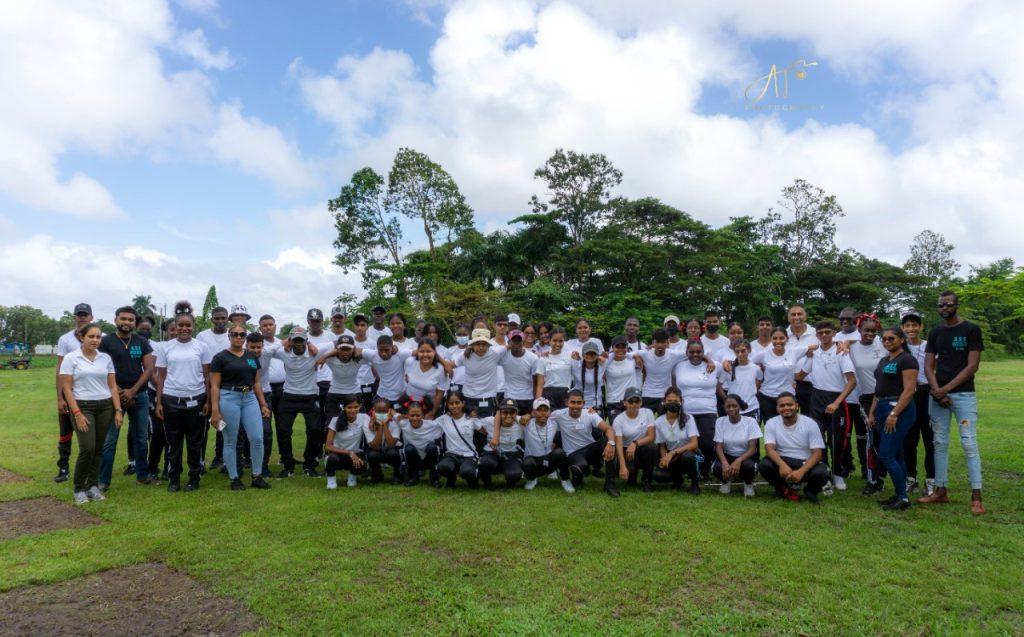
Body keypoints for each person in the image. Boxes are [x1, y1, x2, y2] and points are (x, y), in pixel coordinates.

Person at [918, 291, 986, 515]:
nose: (944, 308)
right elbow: (928, 366)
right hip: (938, 396)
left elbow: (972, 366)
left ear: (957, 305)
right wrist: (937, 390)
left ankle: (976, 495)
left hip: (963, 395)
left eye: (948, 304)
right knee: (939, 442)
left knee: (968, 443)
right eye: (940, 305)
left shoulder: (971, 330)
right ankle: (940, 490)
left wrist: (944, 390)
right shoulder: (936, 332)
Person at [58, 324, 122, 504]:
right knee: (87, 448)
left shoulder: (105, 358)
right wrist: (76, 413)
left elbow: (112, 386)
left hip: (105, 406)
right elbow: (67, 389)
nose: (95, 340)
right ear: (82, 337)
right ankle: (79, 488)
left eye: (98, 337)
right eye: (91, 337)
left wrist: (118, 410)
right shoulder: (71, 358)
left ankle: (92, 486)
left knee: (99, 449)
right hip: (82, 406)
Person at [98, 306, 155, 490]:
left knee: (140, 437)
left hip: (139, 396)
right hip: (113, 396)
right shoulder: (105, 342)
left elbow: (148, 369)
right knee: (110, 439)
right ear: (116, 320)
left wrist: (132, 391)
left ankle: (143, 475)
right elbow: (101, 369)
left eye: (130, 320)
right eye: (123, 319)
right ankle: (103, 480)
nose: (126, 323)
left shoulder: (142, 342)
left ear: (135, 323)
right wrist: (120, 391)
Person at [154, 312, 212, 492]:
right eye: (181, 325)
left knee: (195, 442)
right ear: (175, 326)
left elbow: (207, 376)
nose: (184, 329)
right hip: (171, 400)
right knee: (174, 442)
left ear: (193, 326)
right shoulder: (166, 347)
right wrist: (159, 402)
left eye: (188, 325)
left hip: (196, 399)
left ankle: (194, 478)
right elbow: (161, 377)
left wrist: (208, 401)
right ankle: (174, 478)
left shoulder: (201, 347)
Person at [796, 320, 856, 492]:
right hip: (817, 397)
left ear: (833, 333)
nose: (824, 335)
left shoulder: (841, 352)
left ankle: (838, 473)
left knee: (836, 439)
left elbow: (852, 381)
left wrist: (837, 402)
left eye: (827, 332)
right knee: (817, 438)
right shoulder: (813, 353)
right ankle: (824, 474)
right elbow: (800, 376)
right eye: (820, 333)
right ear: (817, 335)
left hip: (836, 398)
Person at [209, 329, 272, 491]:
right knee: (231, 440)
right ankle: (234, 478)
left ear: (245, 337)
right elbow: (214, 386)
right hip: (229, 397)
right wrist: (215, 410)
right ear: (229, 336)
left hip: (249, 397)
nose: (238, 337)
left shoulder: (251, 357)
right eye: (235, 334)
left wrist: (263, 404)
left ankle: (256, 476)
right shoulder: (220, 357)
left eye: (242, 335)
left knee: (257, 438)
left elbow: (257, 382)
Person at [867, 327, 920, 510]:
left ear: (901, 340)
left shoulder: (907, 360)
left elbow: (909, 390)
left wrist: (894, 413)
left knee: (887, 454)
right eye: (884, 339)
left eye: (891, 338)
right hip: (881, 407)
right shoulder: (884, 360)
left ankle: (903, 498)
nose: (887, 341)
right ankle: (900, 494)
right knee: (897, 454)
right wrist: (872, 411)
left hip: (898, 410)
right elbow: (879, 388)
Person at [759, 393, 829, 503]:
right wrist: (782, 465)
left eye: (789, 405)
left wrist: (801, 471)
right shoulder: (771, 423)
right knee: (764, 465)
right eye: (782, 406)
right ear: (777, 408)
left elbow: (817, 453)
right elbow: (769, 449)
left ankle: (810, 491)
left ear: (797, 406)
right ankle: (782, 488)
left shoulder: (810, 423)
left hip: (804, 461)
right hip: (783, 459)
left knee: (823, 472)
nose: (786, 408)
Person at [271, 327, 321, 478]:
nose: (299, 344)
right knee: (283, 430)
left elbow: (336, 343)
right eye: (295, 340)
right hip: (289, 396)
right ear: (291, 341)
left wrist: (321, 355)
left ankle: (309, 464)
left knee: (314, 430)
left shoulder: (314, 351)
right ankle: (287, 466)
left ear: (306, 340)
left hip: (310, 396)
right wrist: (282, 342)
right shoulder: (283, 352)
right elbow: (266, 349)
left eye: (301, 340)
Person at [54, 302, 94, 483]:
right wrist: (59, 398)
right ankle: (63, 467)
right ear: (75, 317)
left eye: (85, 314)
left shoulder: (98, 337)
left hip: (92, 394)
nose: (82, 317)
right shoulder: (66, 339)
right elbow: (60, 370)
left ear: (91, 317)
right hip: (70, 393)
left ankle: (91, 469)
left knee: (91, 435)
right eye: (79, 314)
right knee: (65, 432)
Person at [549, 389, 615, 493]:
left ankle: (610, 484)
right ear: (567, 403)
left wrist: (611, 443)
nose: (576, 406)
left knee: (608, 442)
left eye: (579, 403)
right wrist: (526, 417)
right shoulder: (558, 414)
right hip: (573, 453)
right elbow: (541, 416)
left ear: (583, 403)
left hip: (590, 450)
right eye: (572, 402)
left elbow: (609, 429)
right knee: (579, 469)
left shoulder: (589, 414)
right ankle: (579, 477)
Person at [848, 316, 887, 491]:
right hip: (866, 398)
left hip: (886, 396)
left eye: (873, 330)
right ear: (859, 331)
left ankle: (882, 475)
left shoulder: (883, 344)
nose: (870, 334)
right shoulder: (852, 347)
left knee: (884, 437)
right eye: (866, 330)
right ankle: (872, 479)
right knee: (870, 438)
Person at [901, 312, 935, 496]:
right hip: (908, 394)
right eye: (907, 326)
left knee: (930, 438)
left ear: (920, 327)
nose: (911, 329)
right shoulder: (900, 346)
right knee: (909, 439)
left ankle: (931, 479)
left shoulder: (929, 346)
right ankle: (910, 478)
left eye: (914, 325)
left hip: (927, 392)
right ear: (902, 329)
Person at [674, 340, 719, 476]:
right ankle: (687, 469)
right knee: (686, 443)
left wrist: (709, 360)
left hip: (708, 411)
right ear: (686, 352)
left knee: (706, 443)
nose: (695, 354)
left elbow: (728, 371)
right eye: (691, 352)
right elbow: (674, 385)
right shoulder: (678, 366)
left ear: (703, 352)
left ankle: (704, 469)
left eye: (699, 352)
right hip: (686, 412)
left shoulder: (715, 366)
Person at [195, 306, 230, 471]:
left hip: (227, 384)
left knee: (222, 424)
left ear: (227, 319)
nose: (220, 321)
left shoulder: (232, 335)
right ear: (212, 319)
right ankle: (199, 461)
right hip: (206, 384)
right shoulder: (202, 336)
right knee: (202, 426)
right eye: (217, 318)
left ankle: (220, 457)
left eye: (223, 318)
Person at [651, 387, 701, 493]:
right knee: (658, 476)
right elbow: (662, 445)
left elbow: (694, 444)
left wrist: (673, 453)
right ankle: (677, 479)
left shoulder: (688, 418)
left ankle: (695, 483)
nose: (672, 403)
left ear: (681, 402)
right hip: (671, 456)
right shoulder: (659, 421)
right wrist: (665, 459)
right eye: (669, 401)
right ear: (664, 402)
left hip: (687, 454)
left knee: (688, 457)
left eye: (676, 401)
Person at [608, 388, 657, 494]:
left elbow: (651, 436)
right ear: (625, 403)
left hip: (642, 447)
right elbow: (619, 444)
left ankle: (647, 480)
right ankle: (630, 472)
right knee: (630, 478)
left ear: (641, 402)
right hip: (626, 451)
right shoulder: (618, 420)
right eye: (630, 401)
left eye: (637, 401)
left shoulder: (648, 413)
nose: (634, 404)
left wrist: (635, 443)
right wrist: (622, 466)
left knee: (652, 447)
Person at [435, 391, 488, 488]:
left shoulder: (470, 418)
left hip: (469, 455)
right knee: (442, 467)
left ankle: (472, 479)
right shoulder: (443, 419)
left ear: (463, 403)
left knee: (467, 471)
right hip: (452, 454)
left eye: (457, 403)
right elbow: (427, 426)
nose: (454, 406)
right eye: (451, 403)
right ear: (447, 404)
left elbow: (485, 431)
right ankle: (451, 478)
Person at [712, 395, 762, 497]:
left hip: (746, 456)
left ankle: (748, 483)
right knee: (716, 467)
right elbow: (718, 446)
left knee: (749, 467)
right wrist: (725, 463)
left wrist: (738, 461)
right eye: (728, 406)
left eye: (734, 406)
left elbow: (753, 448)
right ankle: (726, 480)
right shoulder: (720, 421)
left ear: (740, 406)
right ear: (724, 408)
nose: (731, 409)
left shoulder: (750, 421)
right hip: (728, 455)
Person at [752, 327, 804, 424]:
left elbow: (814, 347)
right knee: (771, 426)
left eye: (781, 338)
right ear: (771, 339)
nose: (778, 341)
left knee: (789, 426)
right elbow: (746, 362)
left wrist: (838, 343)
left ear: (787, 339)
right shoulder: (764, 354)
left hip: (788, 396)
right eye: (775, 338)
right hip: (767, 397)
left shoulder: (794, 352)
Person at [247, 326, 279, 478]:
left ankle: (263, 465)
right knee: (241, 432)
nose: (255, 350)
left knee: (266, 431)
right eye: (252, 347)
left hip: (265, 395)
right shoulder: (240, 355)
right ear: (246, 346)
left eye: (258, 347)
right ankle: (240, 463)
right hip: (244, 395)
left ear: (263, 346)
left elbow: (285, 342)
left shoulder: (268, 352)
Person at [521, 398, 572, 492]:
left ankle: (565, 479)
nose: (543, 413)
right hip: (533, 462)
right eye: (539, 410)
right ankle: (532, 479)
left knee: (559, 453)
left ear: (549, 412)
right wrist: (526, 415)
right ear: (533, 412)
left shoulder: (554, 423)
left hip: (548, 460)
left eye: (546, 410)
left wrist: (588, 411)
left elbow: (570, 416)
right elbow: (506, 416)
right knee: (527, 463)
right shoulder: (526, 423)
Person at [634, 328, 686, 412]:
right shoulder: (645, 353)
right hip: (647, 394)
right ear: (653, 342)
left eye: (663, 342)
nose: (660, 345)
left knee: (665, 423)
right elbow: (624, 354)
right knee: (645, 423)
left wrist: (709, 361)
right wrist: (635, 356)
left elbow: (693, 352)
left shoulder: (673, 354)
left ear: (667, 342)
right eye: (657, 342)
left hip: (665, 395)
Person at [479, 398, 525, 489]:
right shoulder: (489, 421)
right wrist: (487, 433)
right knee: (485, 463)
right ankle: (487, 482)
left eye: (512, 412)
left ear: (516, 413)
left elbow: (532, 417)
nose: (508, 415)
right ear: (499, 413)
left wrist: (527, 415)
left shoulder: (521, 422)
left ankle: (510, 480)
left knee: (515, 474)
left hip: (511, 454)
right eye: (505, 412)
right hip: (492, 453)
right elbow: (473, 422)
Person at [316, 334, 363, 423]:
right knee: (332, 423)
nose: (345, 352)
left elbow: (375, 354)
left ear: (353, 349)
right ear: (337, 349)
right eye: (342, 349)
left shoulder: (359, 358)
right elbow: (314, 353)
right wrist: (326, 356)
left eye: (348, 349)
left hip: (354, 392)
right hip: (334, 393)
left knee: (358, 423)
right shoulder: (331, 359)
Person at [397, 396, 442, 486]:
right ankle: (413, 477)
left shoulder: (431, 425)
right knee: (408, 448)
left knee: (432, 447)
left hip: (428, 458)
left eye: (418, 415)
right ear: (407, 415)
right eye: (412, 415)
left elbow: (447, 423)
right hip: (414, 458)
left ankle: (434, 478)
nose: (415, 418)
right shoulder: (403, 424)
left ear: (423, 415)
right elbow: (391, 414)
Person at [360, 335, 415, 408]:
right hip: (382, 396)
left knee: (400, 418)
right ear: (377, 348)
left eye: (386, 350)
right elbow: (357, 350)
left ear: (392, 348)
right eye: (380, 350)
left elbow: (418, 352)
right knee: (381, 418)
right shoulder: (373, 354)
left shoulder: (400, 354)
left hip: (400, 396)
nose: (383, 353)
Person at [324, 397, 368, 489]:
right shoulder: (335, 420)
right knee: (332, 459)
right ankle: (331, 478)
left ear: (360, 406)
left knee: (363, 464)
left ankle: (352, 477)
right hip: (338, 453)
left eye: (356, 407)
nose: (353, 410)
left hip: (355, 454)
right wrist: (349, 452)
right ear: (343, 408)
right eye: (349, 407)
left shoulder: (364, 417)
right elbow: (328, 446)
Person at [403, 338, 449, 418]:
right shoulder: (410, 362)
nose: (425, 355)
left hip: (428, 407)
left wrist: (432, 413)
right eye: (422, 351)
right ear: (417, 352)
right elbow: (407, 379)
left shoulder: (441, 369)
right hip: (409, 404)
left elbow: (439, 394)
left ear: (434, 352)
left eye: (428, 351)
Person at [717, 339, 762, 421]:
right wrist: (727, 399)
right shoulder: (728, 368)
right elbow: (718, 386)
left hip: (752, 408)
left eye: (743, 351)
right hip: (733, 410)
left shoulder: (756, 368)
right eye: (737, 351)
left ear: (749, 350)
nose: (740, 354)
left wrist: (752, 392)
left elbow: (759, 381)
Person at [499, 330, 543, 414]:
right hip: (509, 397)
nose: (516, 343)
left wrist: (535, 401)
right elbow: (490, 353)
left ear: (523, 342)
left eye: (518, 340)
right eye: (513, 340)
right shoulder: (503, 356)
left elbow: (536, 382)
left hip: (527, 398)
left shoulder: (533, 358)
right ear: (509, 342)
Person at [786, 305, 819, 415]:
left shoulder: (816, 333)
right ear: (788, 318)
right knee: (788, 417)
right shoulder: (782, 335)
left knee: (809, 418)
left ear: (805, 316)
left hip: (810, 385)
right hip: (788, 383)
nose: (796, 317)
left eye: (799, 314)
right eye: (793, 314)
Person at [363, 396, 402, 483]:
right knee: (372, 455)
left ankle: (397, 474)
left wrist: (385, 425)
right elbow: (375, 446)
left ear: (389, 411)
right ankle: (377, 474)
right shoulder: (367, 423)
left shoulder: (395, 423)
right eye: (378, 411)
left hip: (391, 449)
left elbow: (391, 444)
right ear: (373, 411)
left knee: (393, 453)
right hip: (376, 450)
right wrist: (380, 425)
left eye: (384, 411)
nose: (381, 414)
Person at [604, 336, 638, 424]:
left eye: (623, 346)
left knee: (632, 430)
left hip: (631, 400)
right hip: (614, 401)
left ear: (627, 347)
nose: (620, 349)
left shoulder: (632, 360)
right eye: (617, 346)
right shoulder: (607, 363)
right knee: (616, 430)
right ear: (612, 348)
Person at [538, 327, 573, 409]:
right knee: (549, 420)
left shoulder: (570, 357)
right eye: (554, 340)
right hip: (548, 395)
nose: (557, 344)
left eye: (560, 341)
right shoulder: (543, 358)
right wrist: (537, 403)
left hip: (565, 395)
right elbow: (539, 385)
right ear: (549, 341)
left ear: (564, 341)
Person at [351, 314, 380, 412]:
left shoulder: (373, 343)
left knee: (369, 411)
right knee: (353, 411)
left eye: (362, 325)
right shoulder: (349, 341)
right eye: (357, 325)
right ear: (353, 326)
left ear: (367, 326)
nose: (359, 328)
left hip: (369, 382)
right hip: (352, 383)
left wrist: (378, 379)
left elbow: (375, 363)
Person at [571, 341, 605, 411]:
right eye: (588, 353)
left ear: (597, 355)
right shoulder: (576, 365)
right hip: (580, 407)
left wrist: (605, 356)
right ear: (583, 355)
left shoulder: (602, 365)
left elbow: (616, 355)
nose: (590, 356)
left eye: (593, 353)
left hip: (597, 406)